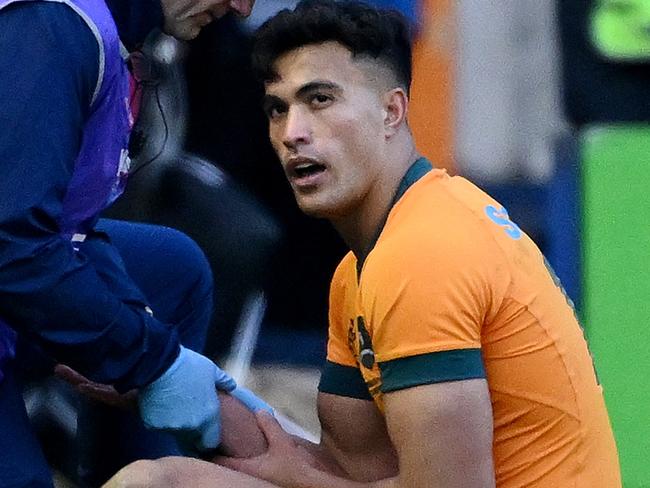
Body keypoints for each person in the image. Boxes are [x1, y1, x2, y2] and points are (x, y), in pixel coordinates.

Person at [103, 0, 622, 486]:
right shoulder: (364, 265)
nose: (292, 133)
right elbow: (355, 468)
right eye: (277, 109)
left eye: (320, 100)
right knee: (159, 480)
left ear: (392, 111)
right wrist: (157, 376)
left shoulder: (422, 255)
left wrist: (298, 476)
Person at [0, 0, 270, 486]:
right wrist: (151, 359)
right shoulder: (54, 27)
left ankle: (148, 476)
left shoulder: (112, 32)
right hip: (8, 265)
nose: (243, 8)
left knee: (171, 271)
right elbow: (11, 247)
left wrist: (138, 325)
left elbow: (71, 227)